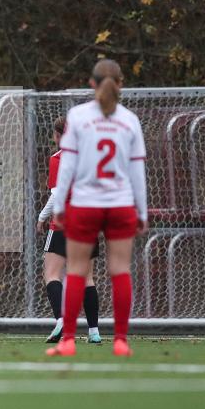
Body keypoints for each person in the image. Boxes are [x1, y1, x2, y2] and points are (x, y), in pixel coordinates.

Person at [47, 60, 147, 357]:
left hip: (85, 204)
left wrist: (61, 205)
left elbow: (67, 167)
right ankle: (120, 341)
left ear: (91, 83)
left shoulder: (77, 117)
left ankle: (67, 341)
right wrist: (142, 210)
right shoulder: (130, 120)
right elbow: (137, 171)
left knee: (75, 271)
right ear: (121, 83)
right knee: (120, 270)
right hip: (120, 204)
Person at [37, 116, 101, 344]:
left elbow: (56, 195)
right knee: (87, 277)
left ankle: (62, 320)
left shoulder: (59, 158)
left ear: (57, 135)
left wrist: (42, 216)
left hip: (65, 222)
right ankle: (94, 331)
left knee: (52, 273)